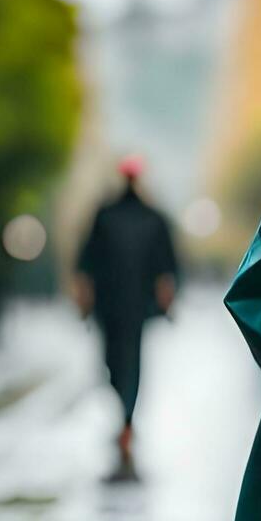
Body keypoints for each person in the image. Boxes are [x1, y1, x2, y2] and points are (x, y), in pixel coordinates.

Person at [75, 156, 178, 482]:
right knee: (119, 364)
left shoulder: (122, 216)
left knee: (122, 363)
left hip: (126, 306)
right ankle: (126, 418)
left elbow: (166, 265)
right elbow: (168, 266)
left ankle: (126, 422)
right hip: (123, 306)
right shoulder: (127, 217)